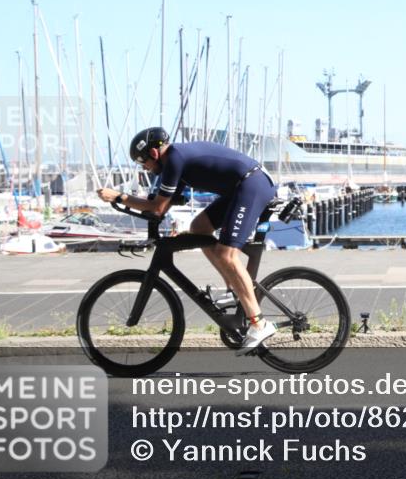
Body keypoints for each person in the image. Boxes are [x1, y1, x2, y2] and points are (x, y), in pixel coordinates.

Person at [96, 127, 277, 353]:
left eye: (143, 162)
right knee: (199, 228)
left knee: (226, 254)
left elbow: (158, 207)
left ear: (154, 153)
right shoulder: (175, 164)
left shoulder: (174, 159)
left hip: (252, 185)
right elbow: (162, 207)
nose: (144, 167)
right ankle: (234, 291)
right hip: (241, 188)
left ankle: (259, 323)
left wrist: (119, 197)